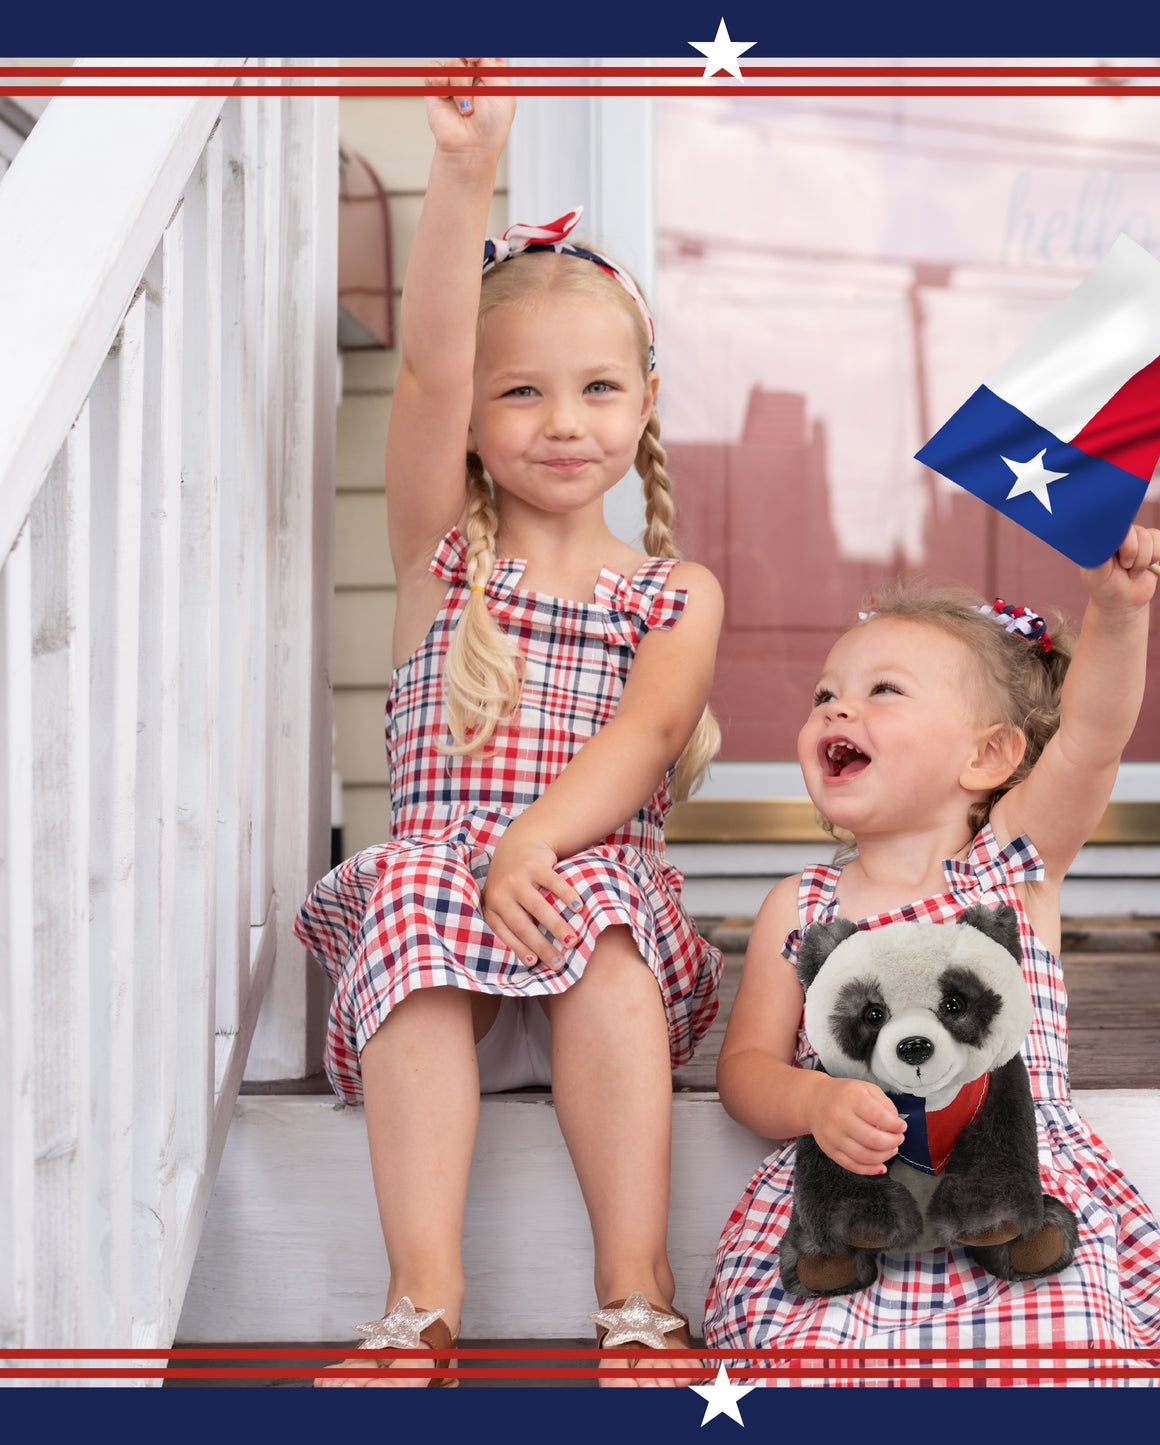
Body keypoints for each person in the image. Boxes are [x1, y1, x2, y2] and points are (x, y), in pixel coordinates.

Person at [296, 58, 724, 1387]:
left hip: (585, 893)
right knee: (420, 887)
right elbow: (424, 366)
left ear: (644, 402)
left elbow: (645, 740)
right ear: (475, 424)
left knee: (595, 918)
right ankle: (422, 1297)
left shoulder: (672, 591)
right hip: (449, 887)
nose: (562, 422)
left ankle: (637, 1291)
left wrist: (533, 840)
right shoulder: (442, 557)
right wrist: (465, 172)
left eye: (598, 389)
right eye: (521, 392)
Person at [704, 527, 1160, 1387]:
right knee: (806, 1356)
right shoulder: (800, 903)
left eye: (882, 691)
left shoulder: (1009, 864)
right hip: (853, 1197)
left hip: (1011, 1193)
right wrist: (814, 1098)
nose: (837, 711)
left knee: (1058, 1343)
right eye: (825, 695)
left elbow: (1090, 738)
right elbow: (743, 1069)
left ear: (987, 754)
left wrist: (1116, 609)